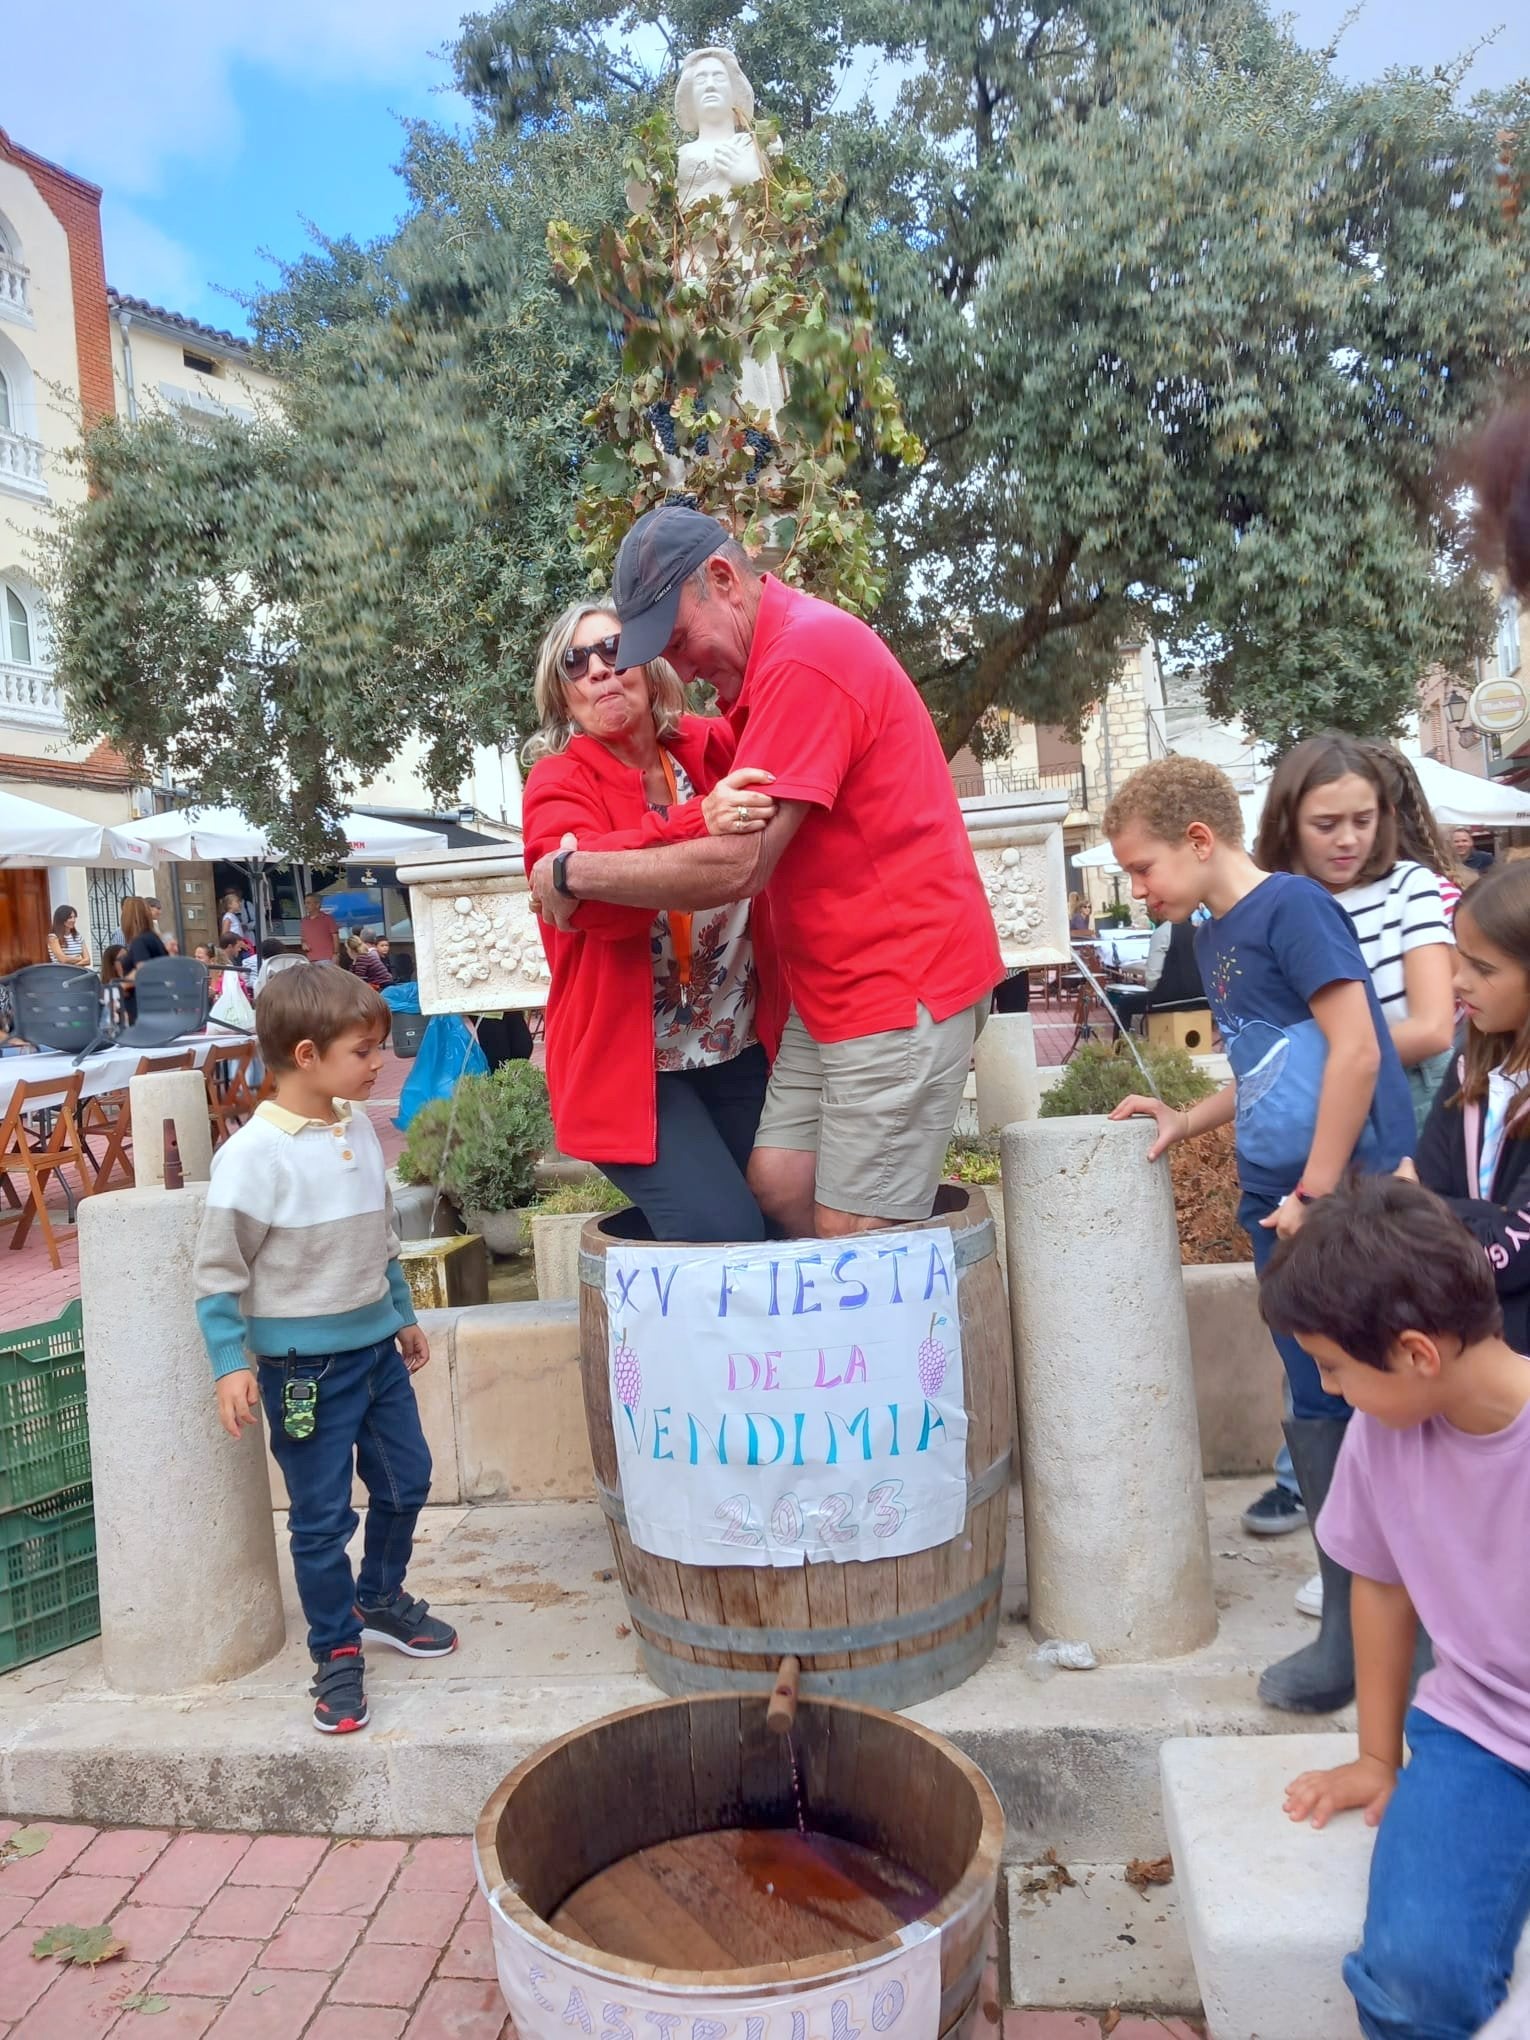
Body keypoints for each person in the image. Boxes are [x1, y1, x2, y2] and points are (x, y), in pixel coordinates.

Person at [528, 508, 1003, 1238]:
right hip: (801, 1006)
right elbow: (606, 909)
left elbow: (741, 861)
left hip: (894, 982)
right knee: (780, 1195)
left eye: (663, 646)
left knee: (853, 1234)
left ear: (723, 580)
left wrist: (572, 871)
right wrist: (580, 870)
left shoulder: (801, 662)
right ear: (559, 693)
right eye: (577, 664)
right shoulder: (750, 688)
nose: (675, 668)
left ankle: (886, 1350)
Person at [1104, 755, 1413, 1714]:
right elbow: (1274, 1063)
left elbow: (1358, 1049)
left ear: (1200, 842)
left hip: (1346, 1201)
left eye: (1143, 868)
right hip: (1280, 1198)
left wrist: (1319, 1193)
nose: (1139, 889)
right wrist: (1184, 1119)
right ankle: (1349, 1634)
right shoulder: (1213, 932)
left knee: (1383, 1398)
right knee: (1315, 1397)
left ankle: (1417, 1629)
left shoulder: (1293, 910)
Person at [1262, 1175, 1530, 2040]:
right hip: (1482, 1740)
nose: (1332, 1391)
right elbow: (1379, 1582)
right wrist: (1379, 1757)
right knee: (1414, 1979)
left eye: (1335, 1368)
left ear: (1416, 1354)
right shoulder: (1385, 1439)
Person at [192, 965, 456, 1734]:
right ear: (305, 1055)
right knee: (320, 1520)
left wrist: (400, 1311)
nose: (380, 1062)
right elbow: (218, 1271)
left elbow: (381, 1232)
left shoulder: (355, 1128)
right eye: (364, 1050)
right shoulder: (251, 1158)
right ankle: (336, 1653)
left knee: (408, 1482)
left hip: (377, 1351)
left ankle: (378, 1596)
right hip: (303, 1371)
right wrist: (230, 1362)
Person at [1248, 736, 1459, 1578]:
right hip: (1317, 1128)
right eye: (1326, 823)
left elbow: (1433, 1027)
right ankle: (1321, 1501)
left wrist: (1341, 1051)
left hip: (1400, 1127)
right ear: (1288, 824)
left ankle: (1393, 1528)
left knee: (1388, 1318)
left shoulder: (1409, 888)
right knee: (1314, 1323)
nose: (1348, 840)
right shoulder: (1280, 903)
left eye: (1364, 822)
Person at [522, 596, 784, 1239]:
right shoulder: (556, 782)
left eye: (614, 650)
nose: (599, 671)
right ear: (562, 697)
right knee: (727, 1236)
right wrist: (700, 820)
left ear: (649, 663)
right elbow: (591, 904)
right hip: (634, 1070)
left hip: (739, 1045)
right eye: (575, 663)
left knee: (786, 1216)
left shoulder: (706, 747)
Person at [1414, 860, 1530, 1352]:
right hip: (1479, 1348)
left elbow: (1516, 1256)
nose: (1458, 981)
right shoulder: (1471, 1065)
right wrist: (1488, 1216)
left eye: (1482, 968)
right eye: (1460, 958)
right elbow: (1416, 1201)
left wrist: (1449, 1215)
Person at [119, 895, 168, 1023]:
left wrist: (121, 986)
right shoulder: (154, 938)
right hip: (159, 1004)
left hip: (141, 1008)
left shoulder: (139, 941)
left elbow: (143, 971)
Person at [46, 905, 91, 971]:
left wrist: (74, 966)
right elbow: (63, 960)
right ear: (61, 919)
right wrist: (80, 959)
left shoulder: (78, 936)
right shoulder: (53, 938)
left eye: (74, 917)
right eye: (70, 917)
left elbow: (88, 960)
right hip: (61, 974)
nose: (73, 920)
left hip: (77, 973)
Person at [300, 893, 339, 965]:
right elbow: (303, 938)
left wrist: (335, 954)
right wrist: (303, 943)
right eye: (305, 903)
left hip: (327, 958)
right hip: (310, 959)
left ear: (317, 904)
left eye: (308, 903)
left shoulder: (328, 919)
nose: (306, 906)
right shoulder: (304, 921)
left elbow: (335, 937)